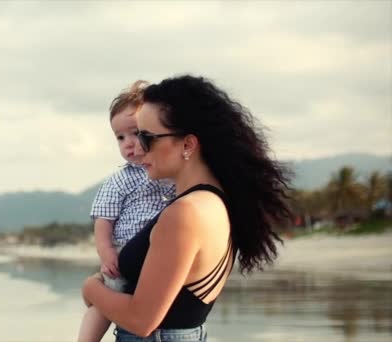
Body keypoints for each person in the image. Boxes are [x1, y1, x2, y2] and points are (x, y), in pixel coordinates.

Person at [82, 74, 293, 341]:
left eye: (146, 137)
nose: (138, 149)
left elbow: (141, 320)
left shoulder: (185, 214)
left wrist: (91, 289)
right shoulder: (215, 202)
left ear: (187, 144)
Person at [77, 81, 176, 342]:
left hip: (158, 252)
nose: (128, 144)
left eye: (135, 133)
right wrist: (106, 252)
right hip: (123, 251)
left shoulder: (170, 174)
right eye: (120, 138)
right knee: (106, 300)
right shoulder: (121, 180)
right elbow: (103, 220)